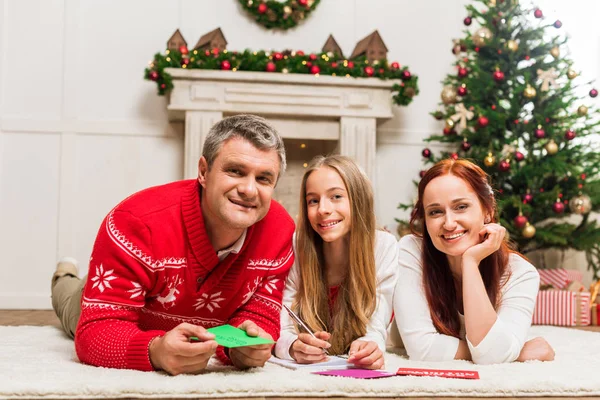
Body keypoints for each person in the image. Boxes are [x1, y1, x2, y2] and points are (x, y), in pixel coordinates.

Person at [50, 114, 295, 375]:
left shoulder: (280, 231)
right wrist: (155, 350)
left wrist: (242, 348)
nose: (249, 189)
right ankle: (64, 274)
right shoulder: (135, 223)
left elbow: (262, 314)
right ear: (203, 171)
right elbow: (95, 333)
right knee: (66, 295)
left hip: (158, 293)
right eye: (235, 171)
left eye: (264, 178)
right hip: (106, 301)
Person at [392, 158, 555, 364]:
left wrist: (470, 262)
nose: (449, 223)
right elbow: (422, 350)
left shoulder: (521, 273)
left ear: (488, 211)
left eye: (461, 207)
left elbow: (492, 356)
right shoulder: (411, 251)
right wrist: (514, 353)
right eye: (435, 212)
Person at [274, 155, 398, 370]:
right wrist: (292, 345)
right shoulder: (297, 244)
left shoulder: (384, 246)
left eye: (336, 196)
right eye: (313, 200)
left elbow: (376, 325)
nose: (322, 209)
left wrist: (369, 346)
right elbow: (281, 324)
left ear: (358, 199)